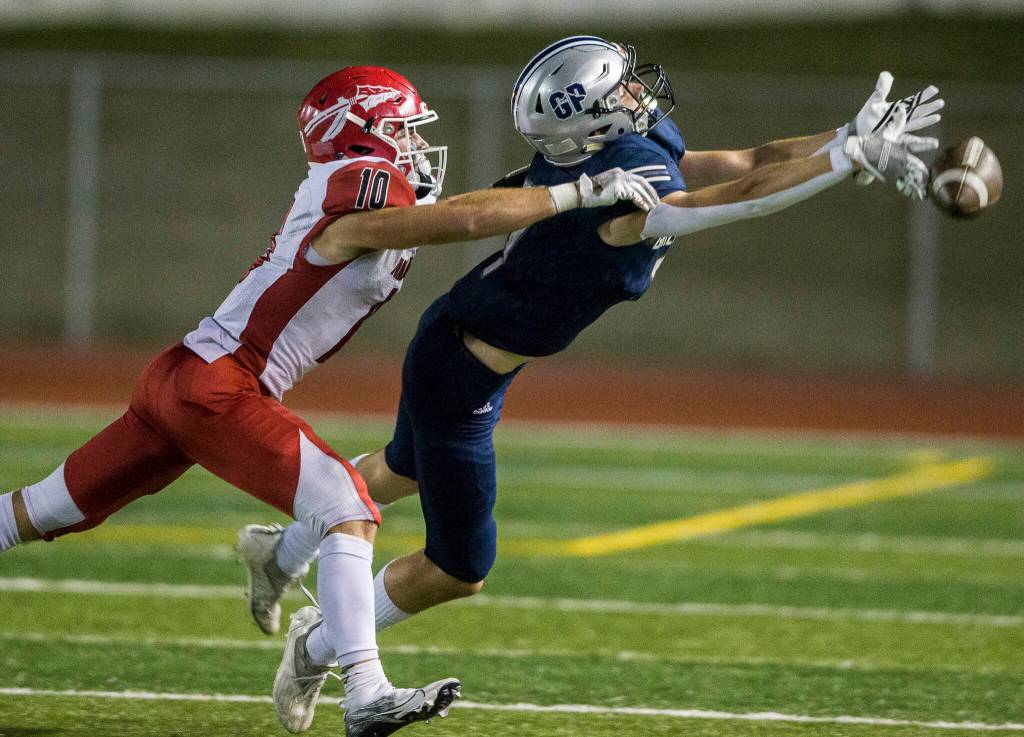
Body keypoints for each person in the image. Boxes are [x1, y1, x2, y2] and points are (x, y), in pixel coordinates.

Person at [243, 39, 944, 732]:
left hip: (459, 342)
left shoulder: (617, 156)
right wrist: (845, 161)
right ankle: (317, 643)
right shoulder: (611, 202)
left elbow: (750, 161)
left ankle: (280, 552)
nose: (638, 94)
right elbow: (740, 198)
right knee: (458, 569)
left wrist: (846, 138)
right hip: (460, 376)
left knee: (402, 468)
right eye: (619, 93)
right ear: (592, 124)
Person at [0, 64, 659, 737]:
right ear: (361, 131)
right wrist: (577, 191)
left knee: (38, 509)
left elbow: (456, 210)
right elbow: (458, 221)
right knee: (346, 503)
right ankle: (366, 691)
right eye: (400, 128)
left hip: (186, 378)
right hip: (217, 383)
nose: (410, 142)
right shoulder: (356, 190)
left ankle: (282, 568)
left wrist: (554, 187)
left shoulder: (361, 195)